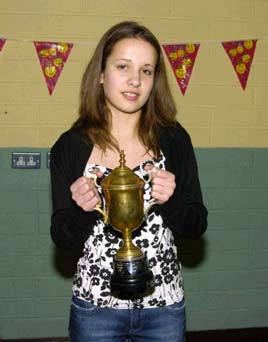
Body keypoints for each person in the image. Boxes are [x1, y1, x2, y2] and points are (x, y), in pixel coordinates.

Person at [50, 20, 208, 342]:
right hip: (96, 307)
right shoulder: (71, 146)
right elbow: (62, 237)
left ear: (154, 80)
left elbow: (196, 225)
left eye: (146, 70)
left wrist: (172, 200)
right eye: (123, 66)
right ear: (101, 74)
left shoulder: (174, 140)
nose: (135, 80)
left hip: (163, 306)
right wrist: (82, 208)